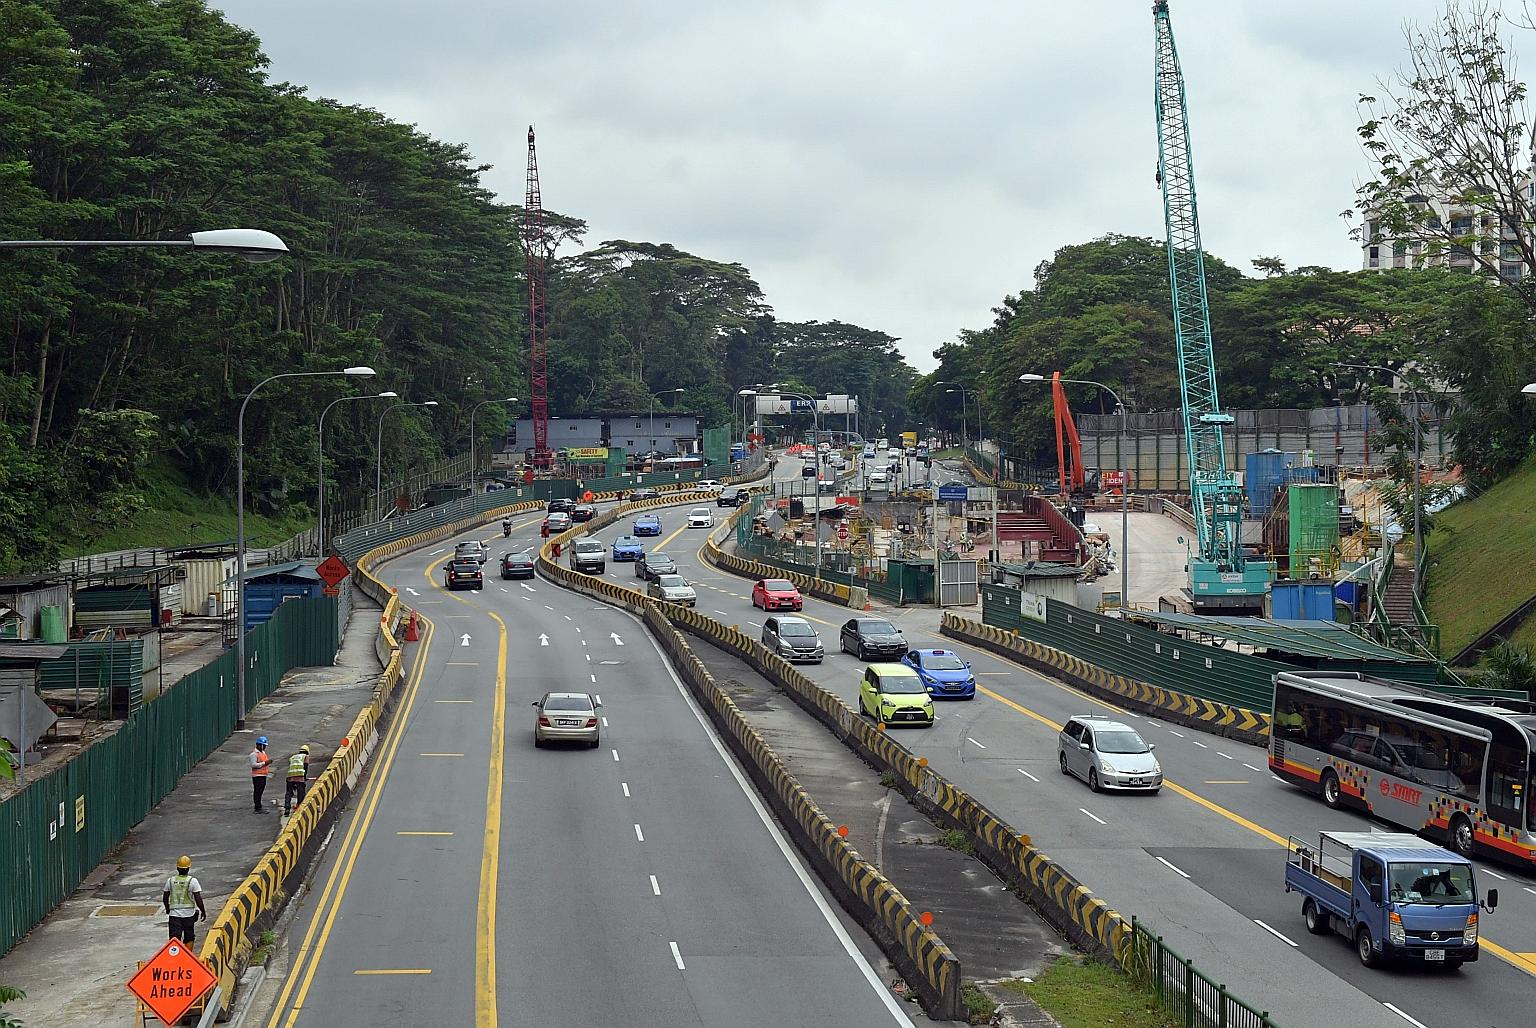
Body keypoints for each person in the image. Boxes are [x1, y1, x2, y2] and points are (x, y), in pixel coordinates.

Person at [163, 855, 206, 943]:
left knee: (174, 939)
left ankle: (175, 956)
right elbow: (198, 898)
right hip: (188, 915)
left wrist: (168, 909)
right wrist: (203, 911)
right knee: (189, 937)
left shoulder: (170, 880)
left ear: (177, 868)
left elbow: (165, 898)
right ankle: (187, 955)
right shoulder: (193, 881)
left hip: (174, 915)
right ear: (188, 868)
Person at [283, 744, 311, 816]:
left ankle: (287, 808)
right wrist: (304, 777)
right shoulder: (306, 757)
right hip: (299, 776)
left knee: (289, 792)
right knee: (301, 792)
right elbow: (305, 767)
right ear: (307, 752)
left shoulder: (293, 757)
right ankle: (299, 807)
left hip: (290, 776)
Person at [249, 736, 271, 813]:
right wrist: (265, 763)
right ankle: (257, 807)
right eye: (263, 746)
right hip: (257, 776)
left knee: (260, 791)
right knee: (257, 791)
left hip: (263, 775)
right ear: (259, 745)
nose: (264, 747)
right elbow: (253, 765)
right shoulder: (254, 754)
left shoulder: (263, 753)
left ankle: (259, 806)